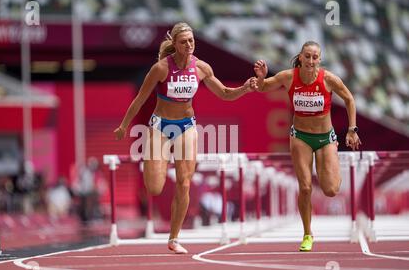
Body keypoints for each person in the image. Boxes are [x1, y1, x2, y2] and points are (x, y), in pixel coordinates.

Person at [114, 22, 255, 254]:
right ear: (176, 45)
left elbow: (225, 94)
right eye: (184, 42)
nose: (189, 45)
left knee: (184, 182)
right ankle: (158, 161)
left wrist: (245, 88)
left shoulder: (201, 68)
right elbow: (140, 99)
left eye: (191, 40)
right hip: (160, 127)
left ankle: (174, 237)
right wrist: (123, 126)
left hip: (186, 127)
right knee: (155, 187)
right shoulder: (160, 68)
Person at [252, 41, 361, 252]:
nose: (311, 61)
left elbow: (349, 98)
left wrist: (352, 129)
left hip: (325, 138)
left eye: (315, 57)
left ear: (319, 59)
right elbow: (263, 87)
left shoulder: (328, 79)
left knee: (330, 190)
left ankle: (332, 159)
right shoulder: (289, 76)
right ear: (300, 57)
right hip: (300, 137)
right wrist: (261, 77)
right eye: (307, 56)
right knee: (305, 187)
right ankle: (307, 233)